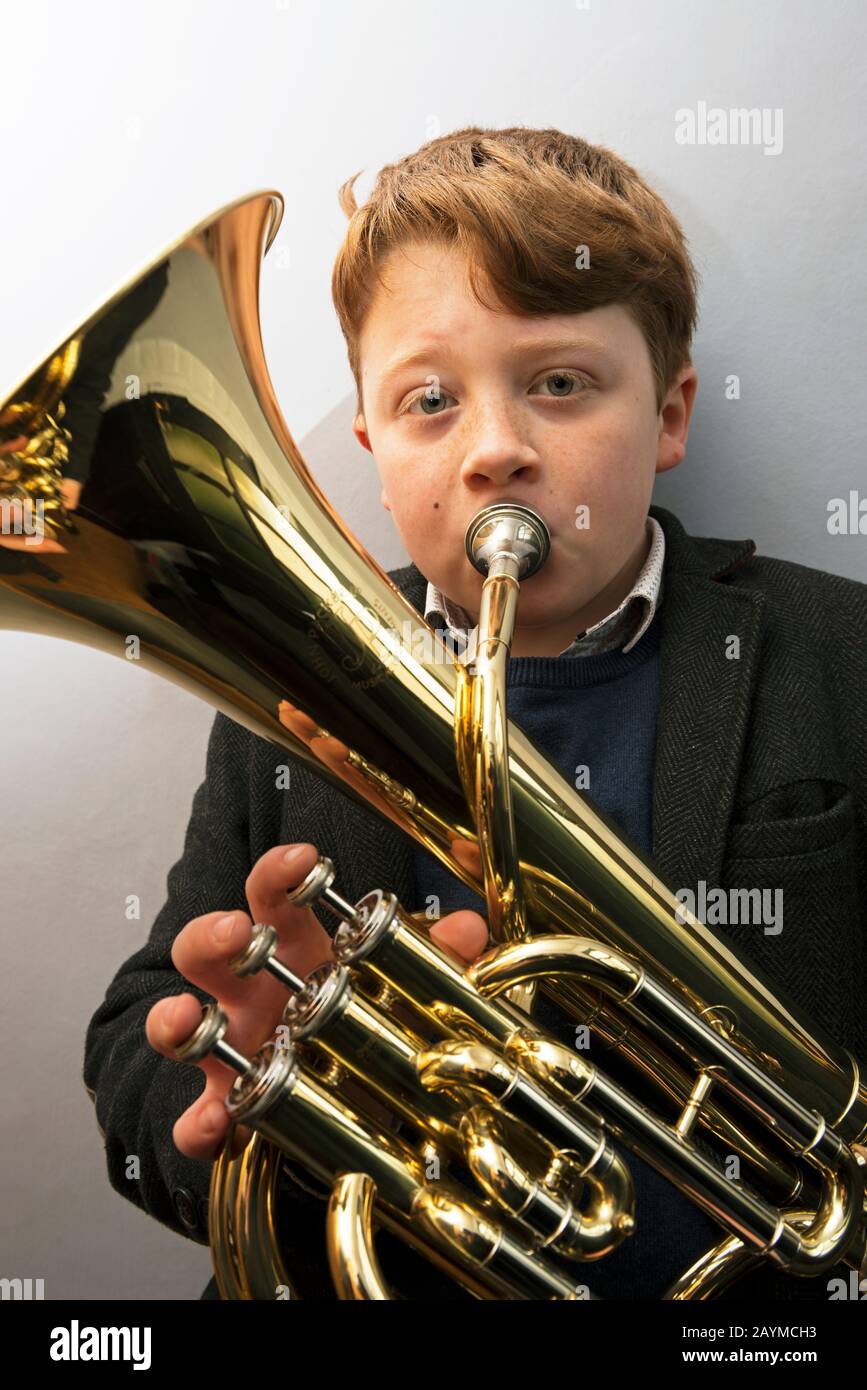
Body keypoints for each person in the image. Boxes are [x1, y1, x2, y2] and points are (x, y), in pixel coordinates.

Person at [83, 125, 867, 1301]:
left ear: (668, 415)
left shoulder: (838, 651)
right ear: (370, 445)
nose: (497, 449)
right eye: (430, 401)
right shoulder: (291, 688)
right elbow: (134, 1040)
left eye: (559, 382)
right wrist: (248, 1088)